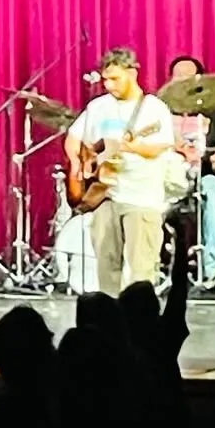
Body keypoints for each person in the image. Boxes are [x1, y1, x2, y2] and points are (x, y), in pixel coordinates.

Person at [63, 47, 174, 297]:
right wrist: (79, 163)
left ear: (133, 73)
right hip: (104, 196)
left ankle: (138, 324)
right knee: (106, 264)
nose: (109, 85)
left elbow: (159, 146)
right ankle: (109, 320)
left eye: (115, 79)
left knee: (140, 270)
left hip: (141, 196)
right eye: (105, 79)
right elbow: (73, 137)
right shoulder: (98, 107)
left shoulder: (153, 110)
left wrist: (133, 147)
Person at [167, 54, 215, 285]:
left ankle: (213, 267)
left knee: (213, 189)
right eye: (179, 76)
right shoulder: (159, 109)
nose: (184, 81)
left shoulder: (212, 111)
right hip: (166, 176)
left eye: (189, 76)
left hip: (201, 175)